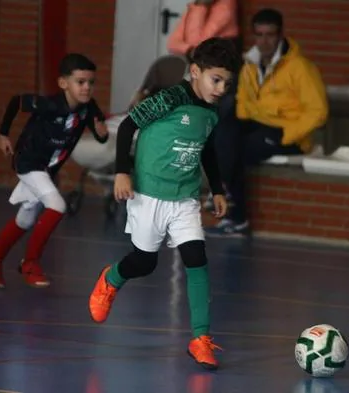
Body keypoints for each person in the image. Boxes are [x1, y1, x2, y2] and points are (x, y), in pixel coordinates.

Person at [88, 37, 240, 370]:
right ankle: (111, 279)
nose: (220, 88)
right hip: (148, 194)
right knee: (144, 262)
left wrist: (216, 189)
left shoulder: (212, 112)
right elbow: (128, 126)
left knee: (196, 259)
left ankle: (200, 338)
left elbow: (208, 149)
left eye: (227, 83)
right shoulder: (169, 99)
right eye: (216, 80)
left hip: (184, 198)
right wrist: (121, 173)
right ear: (196, 72)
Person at [0, 53, 109, 289]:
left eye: (91, 82)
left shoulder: (88, 109)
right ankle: (30, 263)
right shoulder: (49, 104)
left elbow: (101, 136)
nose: (87, 87)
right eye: (80, 82)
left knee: (25, 219)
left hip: (47, 170)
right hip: (28, 163)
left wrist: (102, 131)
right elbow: (17, 101)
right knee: (57, 205)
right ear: (63, 83)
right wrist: (3, 133)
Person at [206, 8, 328, 237]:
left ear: (280, 35)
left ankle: (237, 216)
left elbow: (318, 111)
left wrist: (288, 133)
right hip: (257, 124)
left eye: (270, 35)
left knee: (239, 149)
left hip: (288, 133)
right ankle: (224, 192)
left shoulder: (300, 68)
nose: (264, 41)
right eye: (259, 35)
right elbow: (243, 99)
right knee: (222, 131)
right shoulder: (250, 64)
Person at [167, 0, 239, 59]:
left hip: (219, 62)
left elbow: (198, 43)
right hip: (200, 63)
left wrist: (200, 7)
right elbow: (172, 44)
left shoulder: (226, 6)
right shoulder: (196, 5)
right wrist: (189, 49)